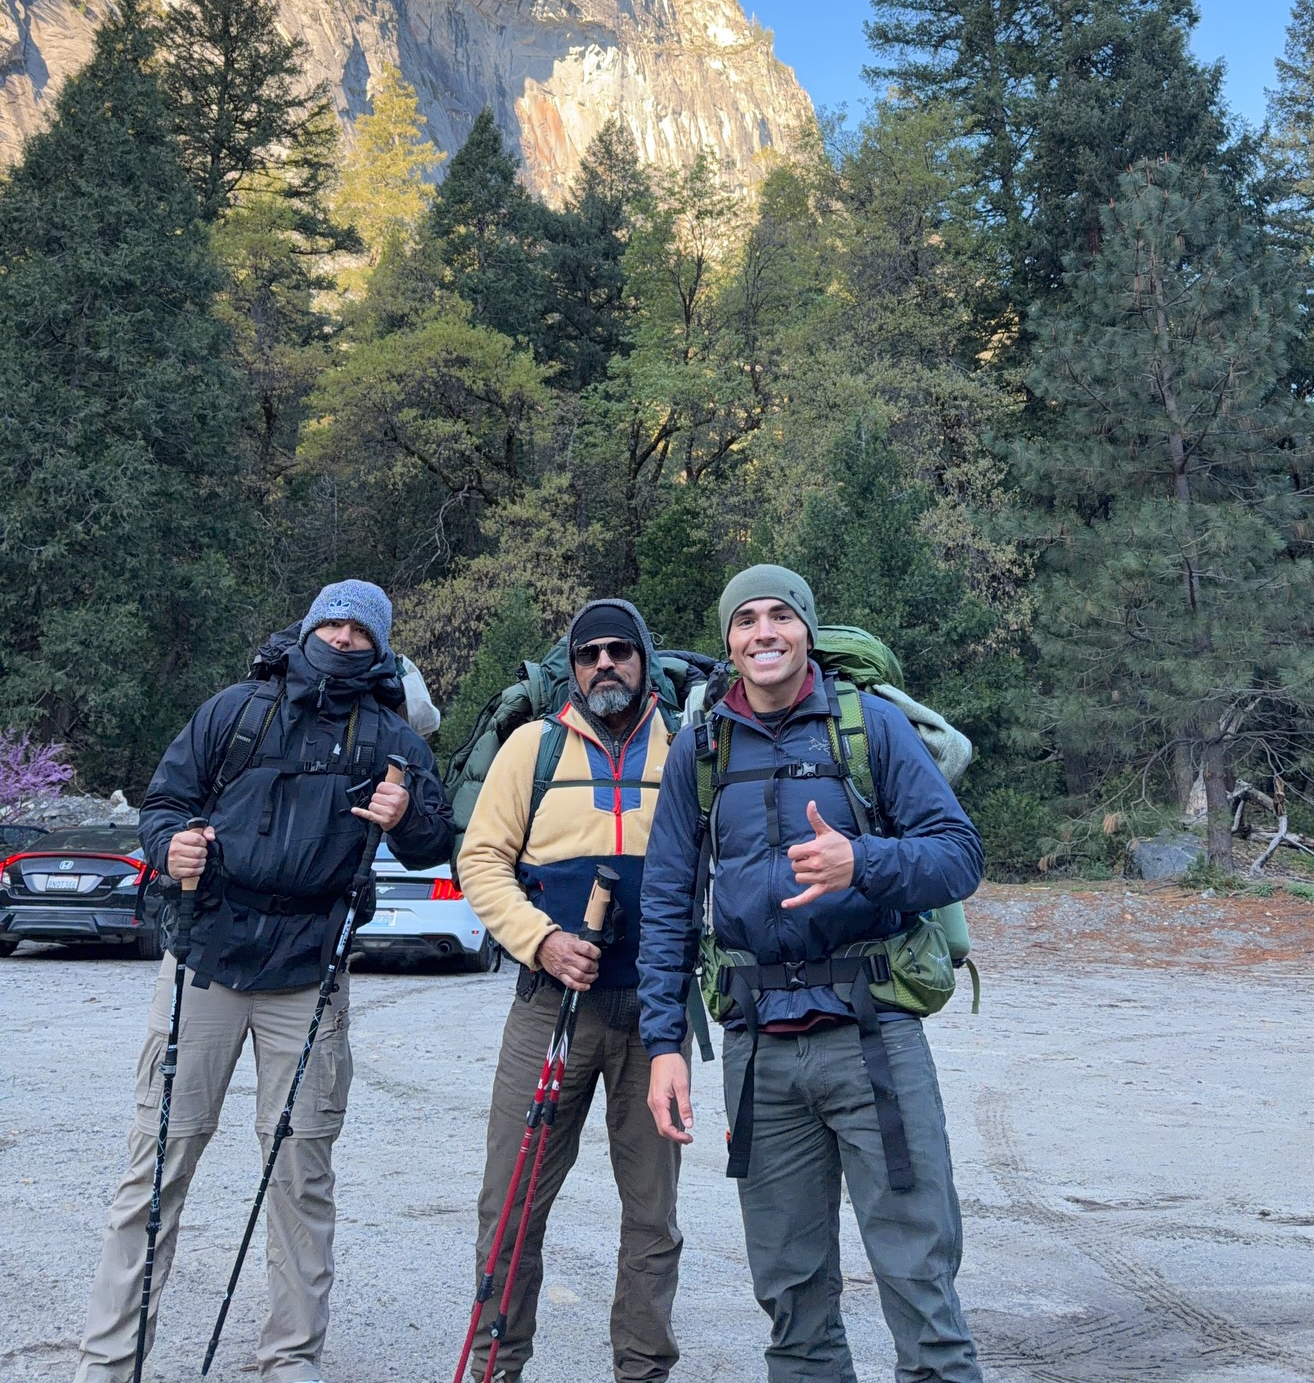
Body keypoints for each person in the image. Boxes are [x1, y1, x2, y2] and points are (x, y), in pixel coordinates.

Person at [75, 579, 454, 1383]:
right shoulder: (235, 711)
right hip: (207, 954)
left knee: (300, 1171)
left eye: (361, 631)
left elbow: (432, 843)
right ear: (309, 628)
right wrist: (170, 845)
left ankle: (291, 1358)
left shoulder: (392, 738)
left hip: (310, 969)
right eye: (333, 624)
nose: (344, 639)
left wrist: (407, 814)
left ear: (380, 647)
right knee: (159, 1160)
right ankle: (108, 1362)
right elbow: (164, 802)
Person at [638, 564, 987, 1383]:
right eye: (746, 619)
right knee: (791, 1304)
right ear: (729, 640)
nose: (764, 632)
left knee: (920, 1287)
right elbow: (666, 902)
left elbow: (958, 855)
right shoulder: (701, 748)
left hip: (874, 1039)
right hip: (758, 1049)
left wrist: (860, 862)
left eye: (781, 616)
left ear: (806, 629)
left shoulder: (870, 728)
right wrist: (663, 1046)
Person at [457, 599, 687, 1383]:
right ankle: (496, 1366)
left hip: (655, 1015)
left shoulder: (687, 746)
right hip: (547, 1007)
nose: (605, 664)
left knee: (652, 1216)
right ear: (573, 666)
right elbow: (481, 859)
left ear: (644, 659)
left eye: (621, 650)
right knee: (512, 1205)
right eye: (589, 653)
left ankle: (642, 1372)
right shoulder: (534, 747)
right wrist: (542, 941)